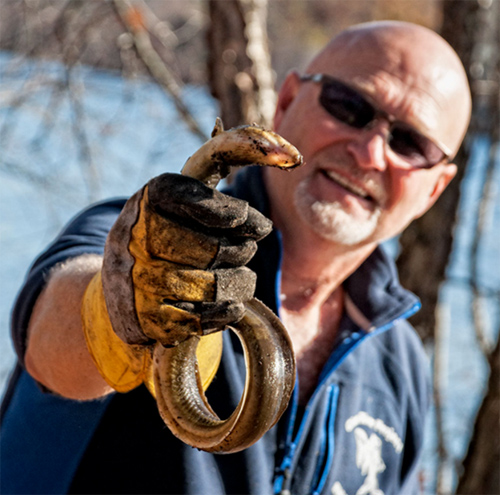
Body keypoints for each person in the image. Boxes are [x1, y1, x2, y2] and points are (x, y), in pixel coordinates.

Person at [0, 20, 471, 495]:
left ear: (435, 188)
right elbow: (49, 341)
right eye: (350, 107)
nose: (370, 153)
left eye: (410, 143)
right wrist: (121, 307)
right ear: (285, 102)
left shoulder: (401, 366)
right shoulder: (132, 235)